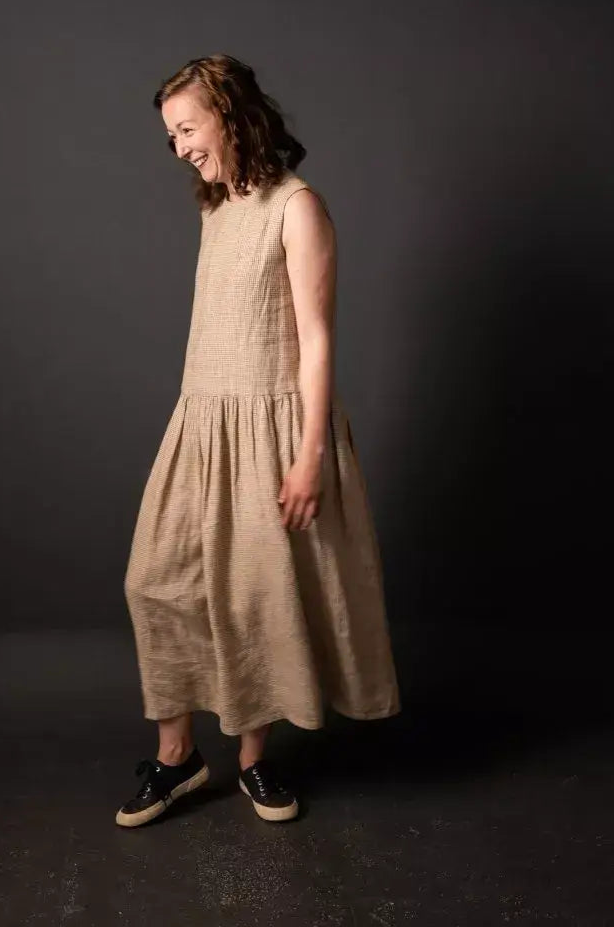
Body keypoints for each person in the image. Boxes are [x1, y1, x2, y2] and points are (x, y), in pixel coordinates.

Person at [116, 53, 401, 828]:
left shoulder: (298, 208)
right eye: (171, 136)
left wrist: (309, 456)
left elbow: (316, 341)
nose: (179, 148)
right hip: (202, 423)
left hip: (271, 432)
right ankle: (178, 757)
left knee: (257, 596)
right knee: (156, 582)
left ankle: (252, 762)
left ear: (230, 113)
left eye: (187, 129)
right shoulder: (216, 210)